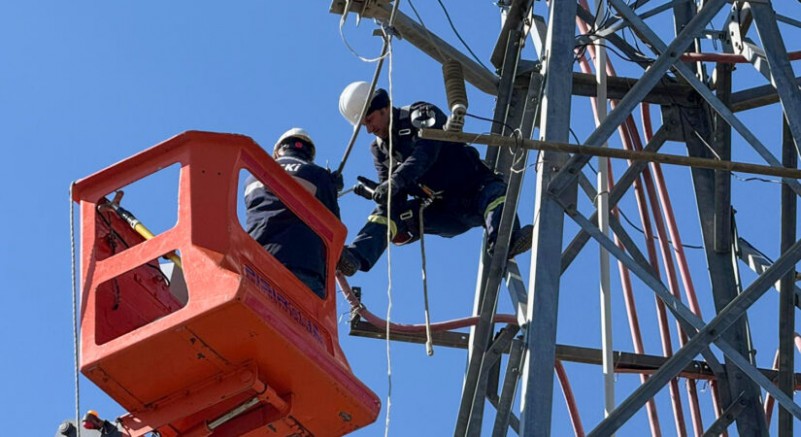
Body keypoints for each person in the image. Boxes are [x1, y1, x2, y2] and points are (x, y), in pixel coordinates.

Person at [336, 81, 533, 276]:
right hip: (443, 211)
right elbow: (395, 200)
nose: (369, 129)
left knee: (496, 195)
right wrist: (382, 193)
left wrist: (394, 181)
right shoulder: (380, 151)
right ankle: (355, 256)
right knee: (387, 213)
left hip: (475, 190)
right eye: (364, 125)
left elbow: (426, 153)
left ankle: (505, 243)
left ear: (384, 108)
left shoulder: (420, 114)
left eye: (370, 120)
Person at [244, 128, 341, 298]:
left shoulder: (253, 176)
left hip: (256, 262)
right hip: (302, 266)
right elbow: (333, 226)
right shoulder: (317, 175)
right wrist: (332, 188)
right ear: (309, 154)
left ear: (277, 152)